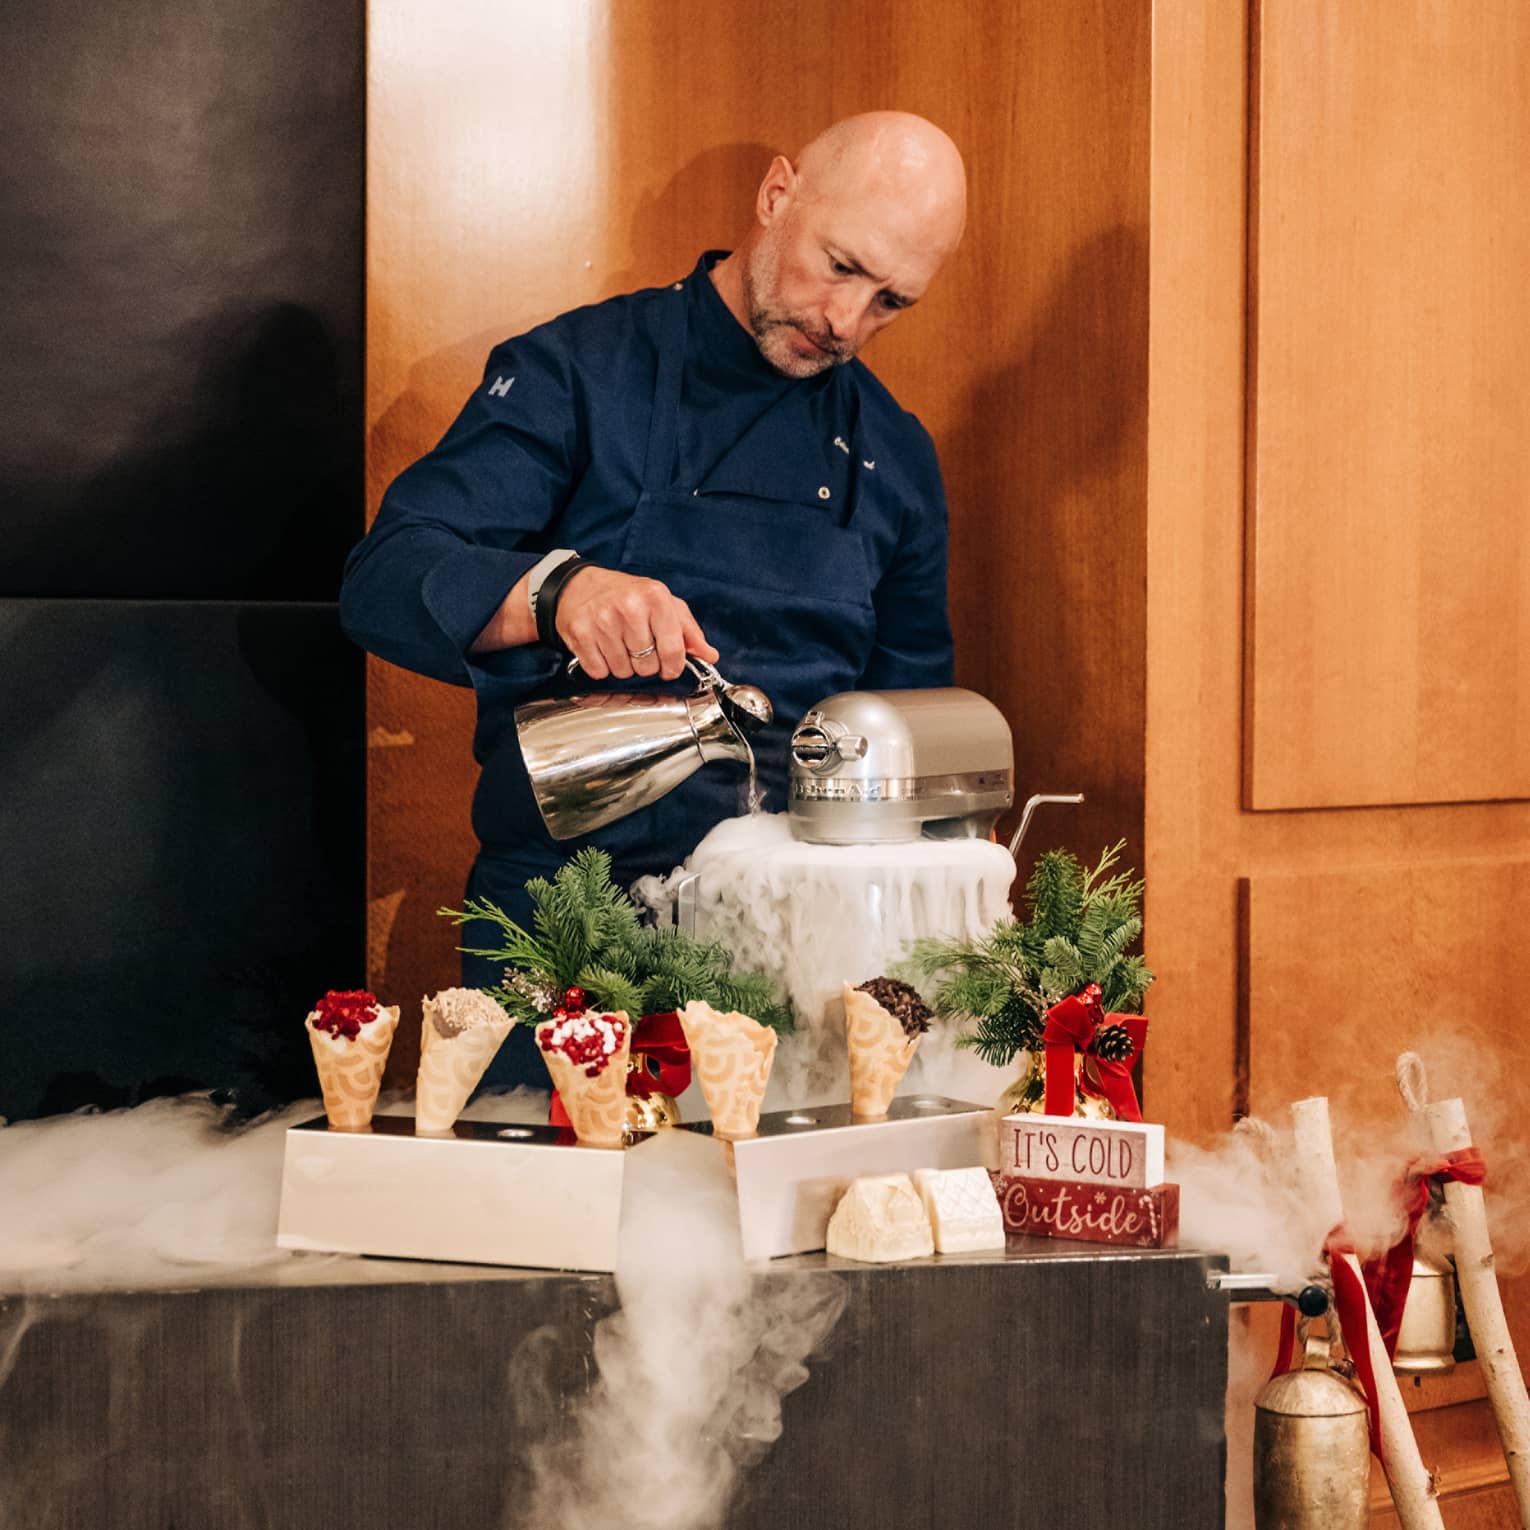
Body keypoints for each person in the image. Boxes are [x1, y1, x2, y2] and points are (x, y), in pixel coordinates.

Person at [340, 111, 968, 1086]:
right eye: (839, 265)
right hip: (569, 917)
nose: (847, 321)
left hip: (799, 931)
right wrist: (558, 593)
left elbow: (914, 731)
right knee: (553, 1214)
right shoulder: (580, 371)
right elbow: (384, 577)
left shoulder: (897, 456)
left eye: (892, 301)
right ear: (776, 194)